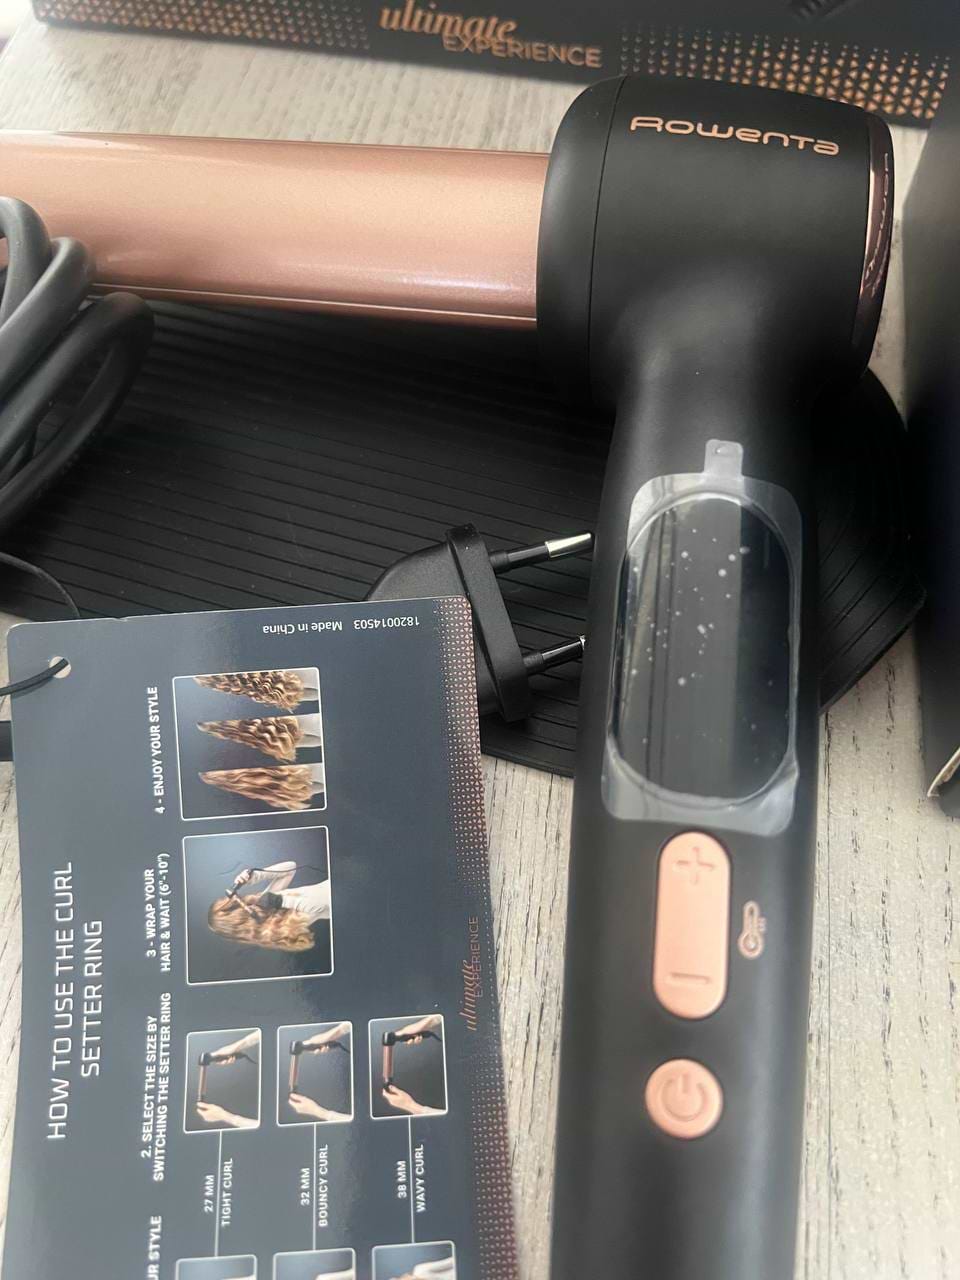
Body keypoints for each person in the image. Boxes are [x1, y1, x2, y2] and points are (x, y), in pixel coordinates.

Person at [207, 861, 331, 953]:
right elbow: (321, 905)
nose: (231, 900)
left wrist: (256, 876)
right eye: (227, 904)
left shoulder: (263, 904)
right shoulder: (278, 930)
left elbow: (290, 868)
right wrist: (282, 900)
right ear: (233, 919)